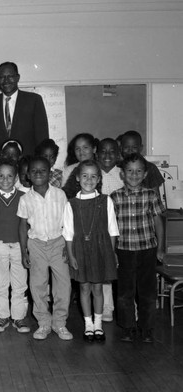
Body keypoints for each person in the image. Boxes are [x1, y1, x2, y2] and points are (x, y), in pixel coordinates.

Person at [110, 153, 165, 343]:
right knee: (125, 291)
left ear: (145, 173)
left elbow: (158, 222)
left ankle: (146, 327)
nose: (134, 175)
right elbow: (111, 228)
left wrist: (160, 247)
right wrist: (113, 251)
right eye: (130, 171)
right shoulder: (114, 197)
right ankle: (128, 327)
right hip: (124, 250)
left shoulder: (151, 195)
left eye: (138, 171)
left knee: (147, 291)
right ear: (123, 174)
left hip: (147, 249)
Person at [63, 160, 119, 342]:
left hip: (101, 250)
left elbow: (112, 229)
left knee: (98, 288)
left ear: (99, 179)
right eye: (85, 176)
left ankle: (98, 325)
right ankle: (88, 325)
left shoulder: (106, 200)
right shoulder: (70, 204)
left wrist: (110, 254)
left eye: (93, 176)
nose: (89, 179)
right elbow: (68, 233)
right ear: (78, 178)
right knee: (84, 288)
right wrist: (71, 255)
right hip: (80, 249)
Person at [17, 156, 73, 341]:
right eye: (34, 171)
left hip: (58, 242)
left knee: (63, 284)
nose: (39, 173)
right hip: (36, 244)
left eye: (43, 170)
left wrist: (68, 244)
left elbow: (68, 222)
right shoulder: (25, 199)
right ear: (28, 175)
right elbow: (22, 226)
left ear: (50, 173)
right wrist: (24, 250)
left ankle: (59, 323)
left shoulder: (60, 194)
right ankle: (43, 322)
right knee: (37, 284)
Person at [0, 158, 29, 333]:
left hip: (19, 246)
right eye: (1, 176)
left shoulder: (23, 197)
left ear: (16, 177)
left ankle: (18, 317)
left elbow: (27, 223)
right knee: (0, 283)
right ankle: (3, 317)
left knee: (19, 284)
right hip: (0, 246)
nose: (5, 180)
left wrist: (26, 246)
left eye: (9, 176)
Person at [0, 62, 49, 155]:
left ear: (18, 77)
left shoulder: (34, 100)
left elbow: (42, 137)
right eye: (1, 77)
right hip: (0, 165)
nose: (6, 80)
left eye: (10, 76)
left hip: (27, 163)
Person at [97, 138, 124, 322]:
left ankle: (129, 307)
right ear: (96, 154)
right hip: (99, 230)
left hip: (122, 229)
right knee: (104, 269)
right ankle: (107, 307)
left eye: (112, 151)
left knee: (125, 271)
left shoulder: (123, 174)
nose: (107, 155)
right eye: (103, 151)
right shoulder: (92, 173)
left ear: (119, 153)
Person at [119, 130, 165, 195]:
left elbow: (156, 195)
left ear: (141, 148)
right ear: (121, 148)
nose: (130, 150)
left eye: (134, 147)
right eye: (126, 147)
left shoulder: (150, 168)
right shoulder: (118, 167)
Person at [62, 133, 97, 198]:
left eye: (85, 147)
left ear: (94, 149)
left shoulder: (100, 168)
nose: (81, 152)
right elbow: (65, 195)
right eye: (77, 149)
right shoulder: (69, 170)